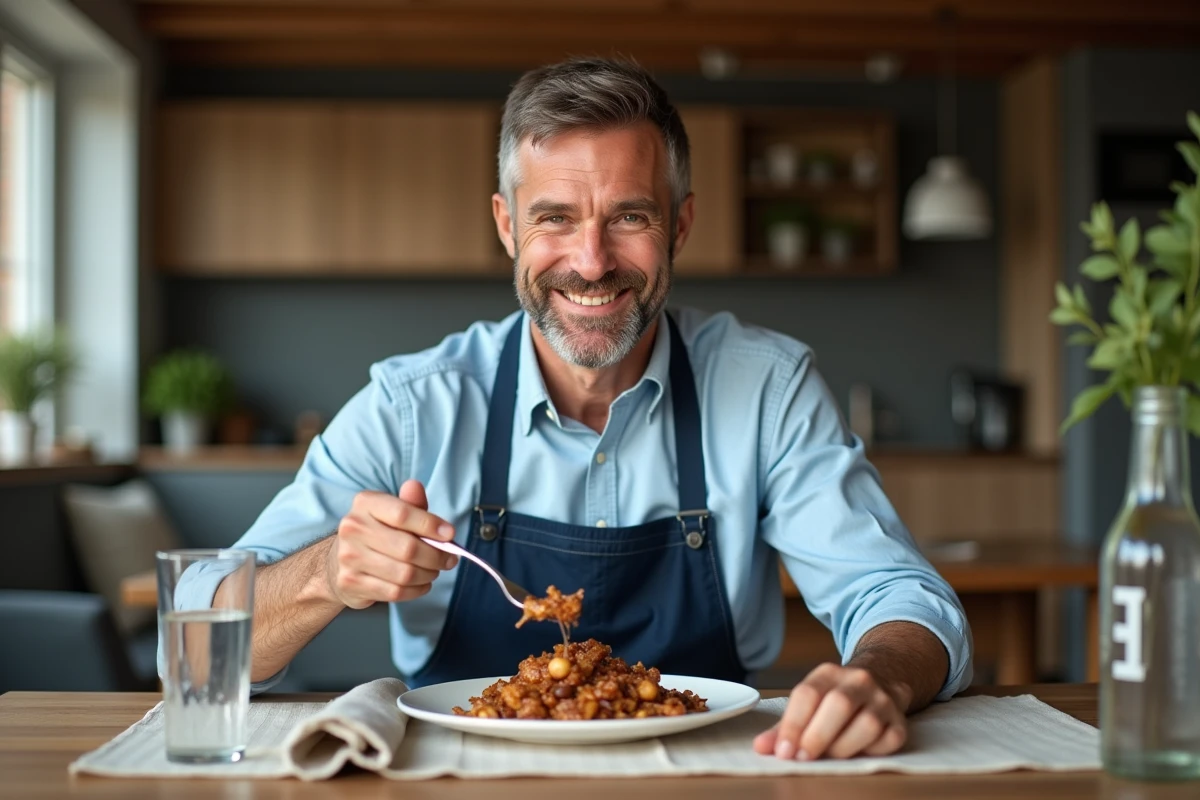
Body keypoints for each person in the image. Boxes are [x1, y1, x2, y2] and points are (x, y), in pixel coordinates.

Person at [215, 57, 972, 761]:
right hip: (459, 777)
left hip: (715, 775)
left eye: (630, 217)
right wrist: (325, 577)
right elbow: (197, 642)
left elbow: (899, 596)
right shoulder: (414, 405)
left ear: (679, 225)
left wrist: (881, 675)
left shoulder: (767, 387)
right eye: (554, 218)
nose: (591, 261)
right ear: (508, 226)